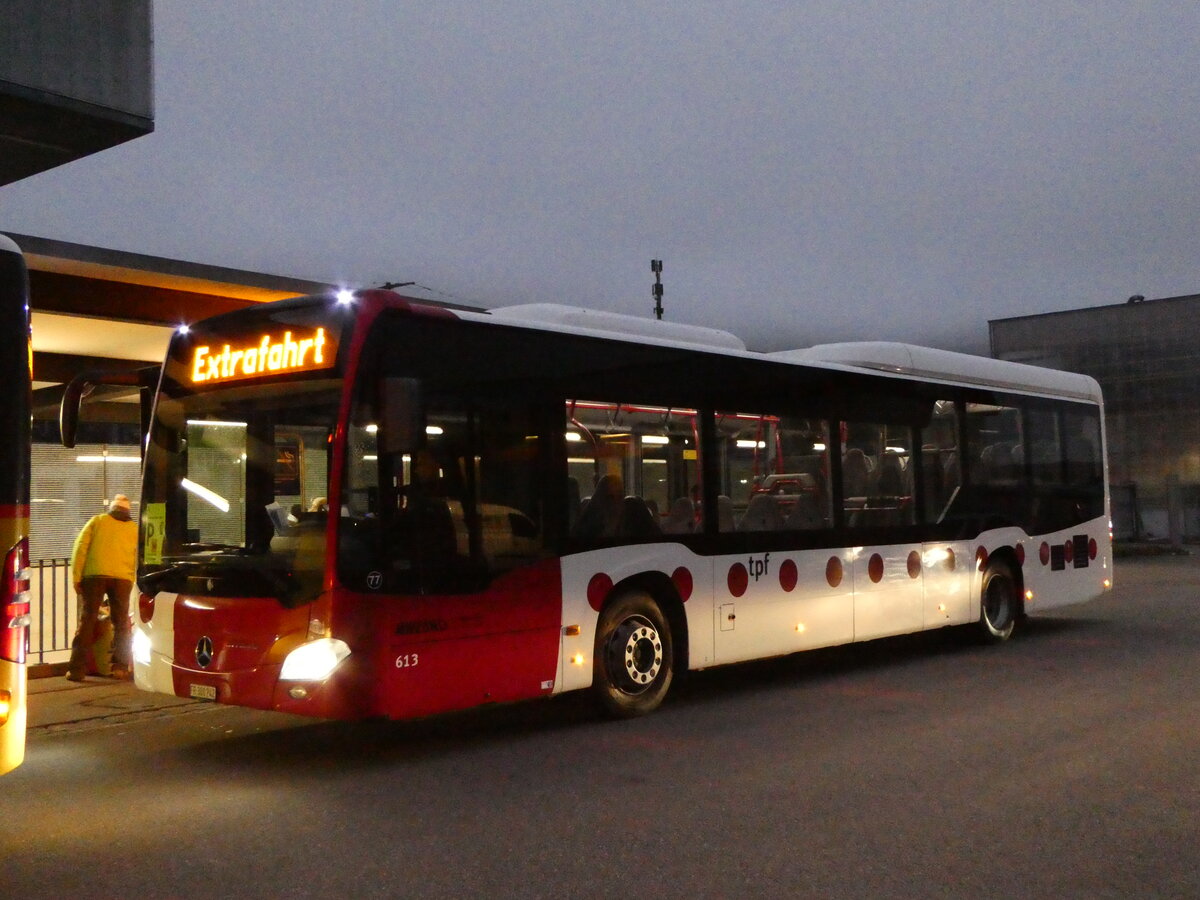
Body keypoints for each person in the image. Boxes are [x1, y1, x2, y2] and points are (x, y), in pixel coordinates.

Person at [66, 494, 138, 682]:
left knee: (87, 620)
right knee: (121, 623)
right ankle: (120, 667)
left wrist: (76, 577)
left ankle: (76, 670)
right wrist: (131, 577)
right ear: (128, 511)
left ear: (112, 509)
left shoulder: (97, 521)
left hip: (94, 577)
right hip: (122, 579)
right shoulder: (134, 529)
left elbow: (80, 547)